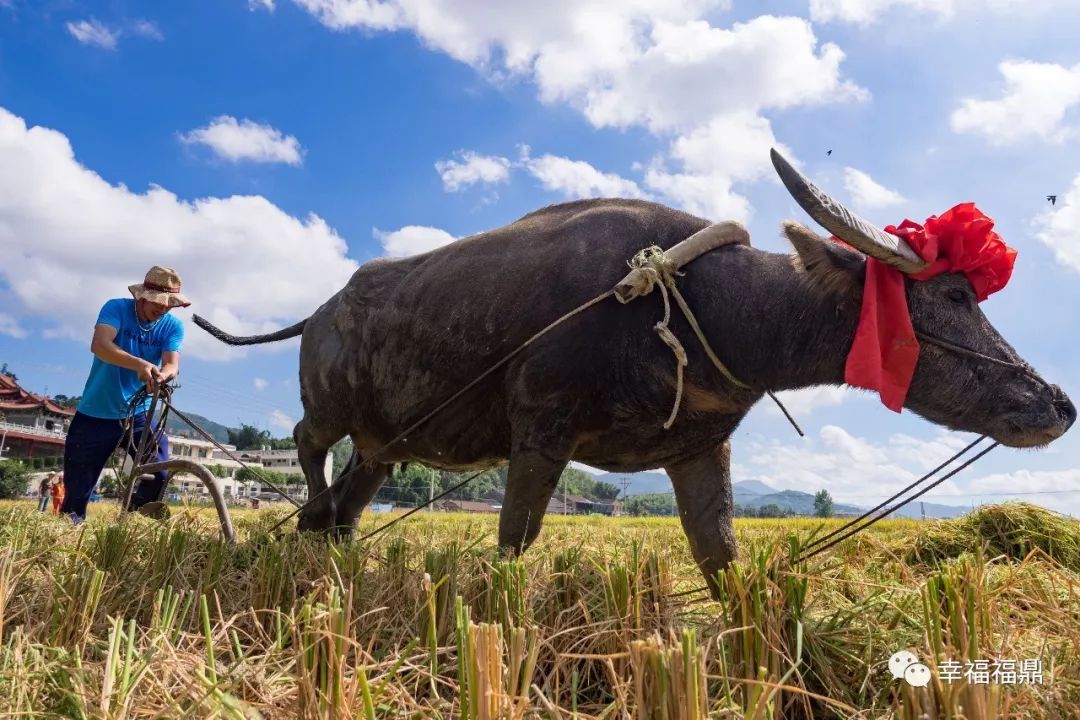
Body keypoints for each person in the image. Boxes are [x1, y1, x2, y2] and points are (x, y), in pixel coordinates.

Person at [60, 266, 190, 524]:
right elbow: (100, 345)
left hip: (139, 413)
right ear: (142, 295)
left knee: (160, 472)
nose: (163, 309)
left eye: (169, 305)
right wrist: (140, 364)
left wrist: (164, 375)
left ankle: (133, 522)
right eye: (158, 303)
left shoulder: (172, 326)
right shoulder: (116, 309)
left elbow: (172, 363)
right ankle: (68, 537)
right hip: (95, 414)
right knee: (77, 493)